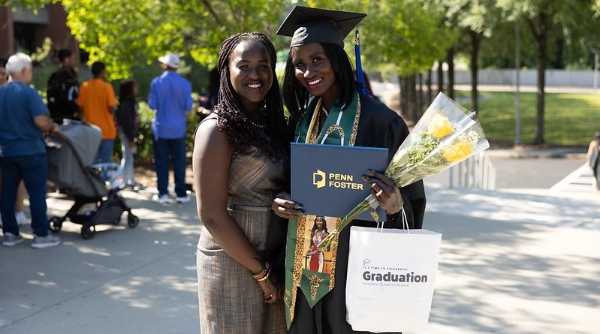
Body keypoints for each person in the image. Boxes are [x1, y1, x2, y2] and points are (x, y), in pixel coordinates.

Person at [272, 6, 427, 333]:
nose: (307, 71)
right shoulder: (302, 121)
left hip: (355, 267)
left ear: (336, 59)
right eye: (298, 64)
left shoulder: (381, 122)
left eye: (317, 60)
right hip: (305, 266)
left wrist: (395, 205)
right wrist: (281, 201)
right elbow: (292, 184)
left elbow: (411, 201)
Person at [193, 32, 290, 333]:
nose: (255, 74)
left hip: (274, 255)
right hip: (232, 259)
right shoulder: (216, 130)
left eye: (263, 65)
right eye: (244, 65)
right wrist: (261, 273)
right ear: (227, 70)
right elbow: (211, 214)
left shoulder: (274, 124)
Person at [0, 53, 61, 248]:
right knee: (36, 193)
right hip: (31, 150)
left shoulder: (1, 93)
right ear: (24, 71)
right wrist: (52, 128)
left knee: (7, 193)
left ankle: (10, 233)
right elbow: (40, 121)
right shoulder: (29, 93)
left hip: (7, 151)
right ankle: (41, 234)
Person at [148, 53, 194, 204]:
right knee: (179, 162)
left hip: (161, 129)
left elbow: (152, 105)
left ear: (165, 65)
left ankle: (163, 194)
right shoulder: (185, 84)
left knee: (161, 162)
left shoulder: (157, 82)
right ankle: (180, 193)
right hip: (178, 129)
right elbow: (188, 106)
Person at [0, 57, 29, 228]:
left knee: (17, 181)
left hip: (12, 143)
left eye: (3, 74)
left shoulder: (12, 91)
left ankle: (17, 213)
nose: (1, 77)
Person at [77, 61, 117, 163]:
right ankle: (103, 179)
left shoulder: (84, 87)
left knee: (92, 162)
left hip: (90, 130)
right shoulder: (107, 87)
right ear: (103, 72)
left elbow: (80, 109)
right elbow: (111, 107)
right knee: (105, 163)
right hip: (107, 130)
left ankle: (93, 179)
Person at [116, 78, 144, 191]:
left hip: (130, 135)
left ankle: (130, 180)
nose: (136, 89)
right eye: (134, 87)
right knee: (127, 157)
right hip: (126, 134)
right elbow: (127, 123)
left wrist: (136, 135)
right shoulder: (125, 105)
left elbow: (133, 122)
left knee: (129, 158)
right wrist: (131, 138)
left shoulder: (131, 103)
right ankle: (126, 181)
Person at [47, 48, 80, 124]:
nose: (75, 62)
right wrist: (75, 110)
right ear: (66, 60)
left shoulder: (55, 75)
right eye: (73, 59)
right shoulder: (66, 75)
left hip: (56, 116)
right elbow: (67, 95)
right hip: (68, 117)